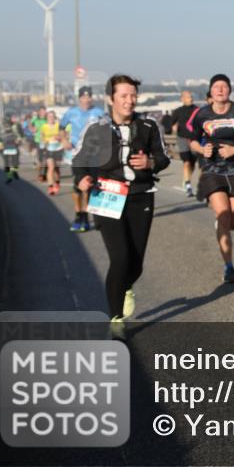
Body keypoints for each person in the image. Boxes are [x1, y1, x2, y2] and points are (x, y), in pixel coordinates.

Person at [73, 75, 170, 336]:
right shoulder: (96, 127)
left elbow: (164, 157)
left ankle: (125, 286)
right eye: (124, 96)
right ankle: (115, 319)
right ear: (111, 99)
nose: (130, 101)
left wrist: (151, 163)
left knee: (135, 263)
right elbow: (79, 158)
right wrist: (81, 177)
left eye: (133, 95)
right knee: (120, 258)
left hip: (141, 195)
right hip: (107, 194)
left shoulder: (148, 125)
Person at [188, 74, 234, 283]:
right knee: (223, 215)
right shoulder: (202, 114)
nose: (220, 89)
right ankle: (229, 266)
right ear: (211, 91)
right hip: (213, 171)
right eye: (216, 87)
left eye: (224, 86)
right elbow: (192, 141)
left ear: (229, 90)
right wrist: (202, 149)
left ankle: (223, 225)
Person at [61, 86, 107, 232]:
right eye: (83, 97)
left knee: (88, 185)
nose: (86, 100)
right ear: (79, 98)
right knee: (77, 185)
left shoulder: (99, 113)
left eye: (89, 97)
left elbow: (107, 130)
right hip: (76, 153)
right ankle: (78, 215)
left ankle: (85, 218)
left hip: (93, 154)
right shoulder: (71, 112)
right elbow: (61, 127)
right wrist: (64, 140)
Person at [170, 91, 201, 197]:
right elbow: (171, 123)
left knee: (192, 163)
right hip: (182, 138)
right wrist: (173, 127)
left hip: (195, 139)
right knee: (186, 162)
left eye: (191, 97)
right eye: (188, 97)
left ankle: (186, 178)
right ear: (182, 99)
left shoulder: (197, 110)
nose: (190, 99)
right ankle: (188, 186)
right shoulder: (178, 111)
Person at [39, 110, 64, 195]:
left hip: (58, 148)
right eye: (49, 116)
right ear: (47, 118)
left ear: (55, 117)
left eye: (52, 116)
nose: (51, 118)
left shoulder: (58, 125)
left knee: (56, 169)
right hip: (49, 148)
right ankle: (50, 187)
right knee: (51, 167)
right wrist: (44, 142)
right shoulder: (44, 127)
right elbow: (42, 137)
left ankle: (57, 182)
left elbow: (64, 135)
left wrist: (59, 137)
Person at [0, 114, 23, 183]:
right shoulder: (0, 127)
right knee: (7, 163)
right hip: (5, 146)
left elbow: (21, 135)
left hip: (14, 146)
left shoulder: (16, 126)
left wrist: (19, 140)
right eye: (12, 118)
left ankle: (13, 172)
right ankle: (9, 176)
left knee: (15, 162)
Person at [30, 107, 47, 181]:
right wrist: (32, 129)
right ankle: (40, 174)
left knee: (47, 158)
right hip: (39, 140)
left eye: (44, 111)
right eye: (42, 111)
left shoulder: (47, 118)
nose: (43, 113)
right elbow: (30, 124)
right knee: (40, 159)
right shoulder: (35, 119)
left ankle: (45, 173)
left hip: (47, 141)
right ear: (39, 112)